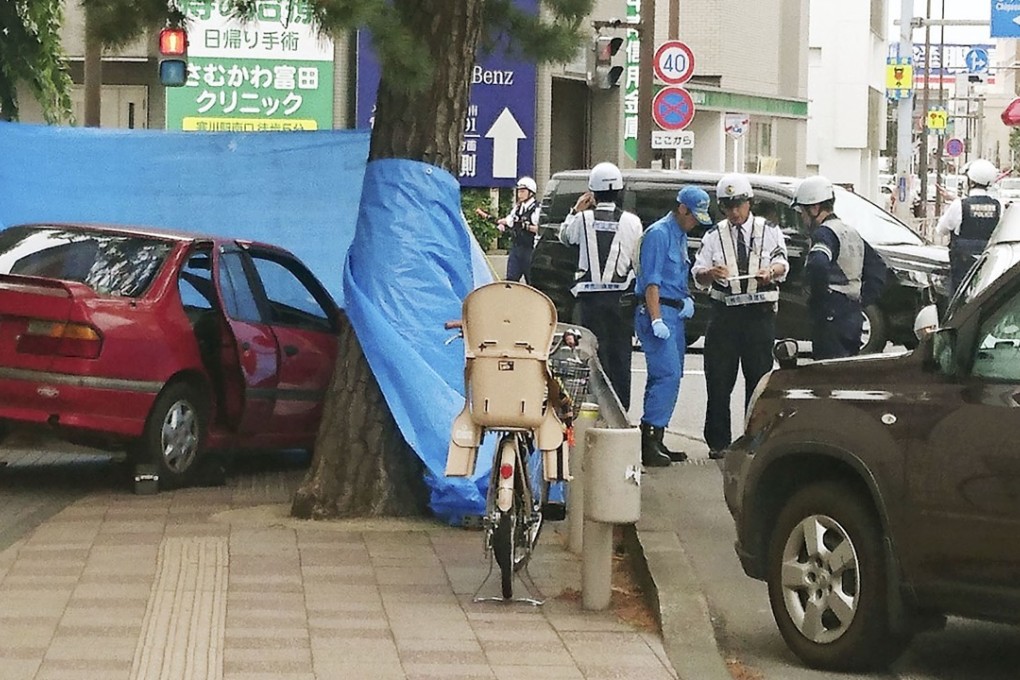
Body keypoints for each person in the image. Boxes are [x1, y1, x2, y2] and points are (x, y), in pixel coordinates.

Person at [691, 173, 788, 460]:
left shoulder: (768, 229)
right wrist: (710, 273)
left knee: (758, 380)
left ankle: (755, 438)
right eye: (728, 206)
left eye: (739, 205)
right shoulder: (713, 235)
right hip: (726, 314)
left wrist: (770, 271)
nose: (734, 212)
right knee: (719, 379)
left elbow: (782, 261)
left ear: (749, 203)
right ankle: (718, 441)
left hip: (759, 314)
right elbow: (698, 273)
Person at [634, 186, 713, 467]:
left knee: (670, 376)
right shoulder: (659, 234)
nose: (695, 223)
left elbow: (677, 277)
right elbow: (651, 282)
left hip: (675, 312)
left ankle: (657, 435)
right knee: (666, 375)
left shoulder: (679, 236)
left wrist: (688, 298)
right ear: (682, 209)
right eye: (694, 216)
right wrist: (655, 319)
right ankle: (649, 440)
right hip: (658, 311)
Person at [558, 161, 641, 410]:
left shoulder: (582, 220)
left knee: (589, 356)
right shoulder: (632, 222)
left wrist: (575, 209)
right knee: (619, 357)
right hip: (620, 301)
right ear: (620, 191)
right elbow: (637, 259)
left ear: (592, 192)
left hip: (589, 301)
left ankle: (589, 409)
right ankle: (619, 412)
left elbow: (564, 236)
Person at [794, 175, 888, 360]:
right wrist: (861, 300)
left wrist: (819, 300)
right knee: (845, 373)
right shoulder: (850, 232)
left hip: (831, 318)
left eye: (803, 212)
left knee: (827, 375)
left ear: (815, 208)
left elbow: (818, 264)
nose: (803, 218)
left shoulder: (824, 234)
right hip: (852, 317)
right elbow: (878, 269)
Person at [936, 158, 1002, 296]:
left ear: (970, 181)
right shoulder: (998, 205)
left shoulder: (960, 205)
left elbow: (940, 230)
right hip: (988, 265)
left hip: (962, 266)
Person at [497, 176, 540, 283]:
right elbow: (509, 220)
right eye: (519, 191)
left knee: (531, 282)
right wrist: (501, 223)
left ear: (531, 192)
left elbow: (540, 229)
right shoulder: (517, 208)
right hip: (516, 248)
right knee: (511, 281)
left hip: (529, 250)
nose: (519, 194)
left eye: (523, 191)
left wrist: (526, 226)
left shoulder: (537, 209)